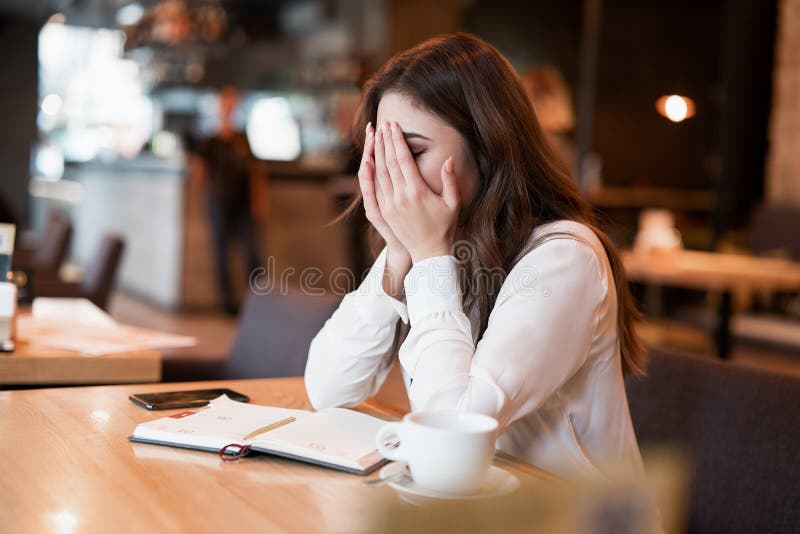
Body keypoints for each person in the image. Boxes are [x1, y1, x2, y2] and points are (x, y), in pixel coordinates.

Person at [304, 33, 646, 480]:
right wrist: (400, 253)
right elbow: (328, 388)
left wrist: (427, 257)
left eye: (413, 150)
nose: (394, 173)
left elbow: (451, 435)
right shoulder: (450, 241)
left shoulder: (565, 258)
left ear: (486, 147)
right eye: (383, 152)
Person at [186, 86, 269, 315]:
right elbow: (199, 173)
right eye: (226, 104)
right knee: (221, 254)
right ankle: (228, 306)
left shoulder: (242, 138)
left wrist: (258, 200)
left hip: (243, 204)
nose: (229, 109)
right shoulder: (209, 140)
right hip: (220, 204)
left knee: (252, 253)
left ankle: (259, 303)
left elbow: (255, 171)